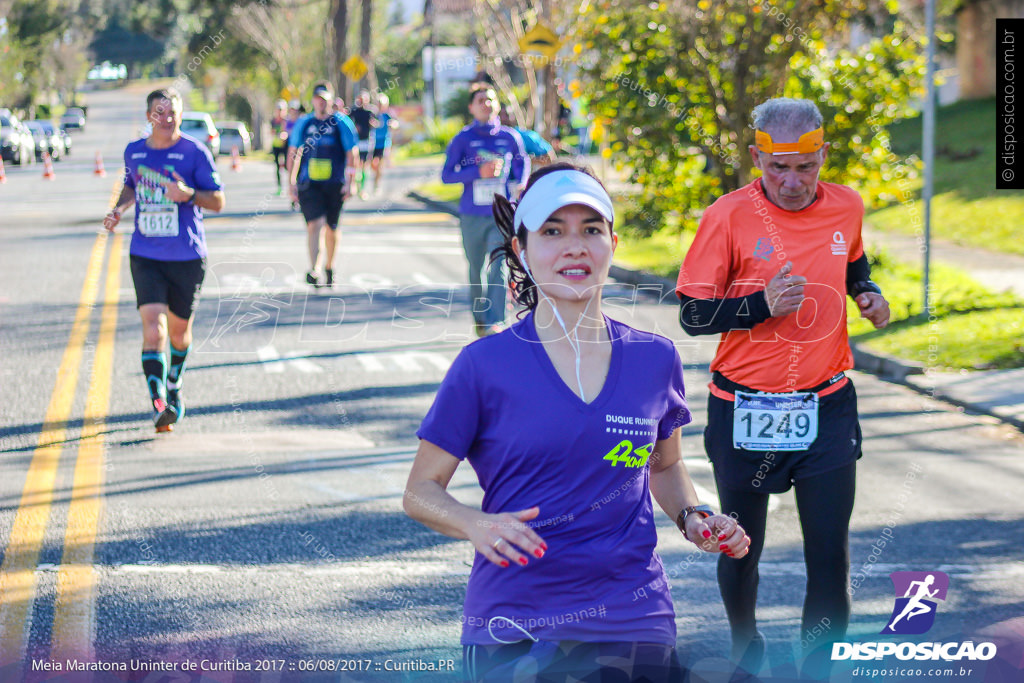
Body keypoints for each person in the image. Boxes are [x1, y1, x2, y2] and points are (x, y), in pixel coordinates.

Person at [405, 163, 751, 682]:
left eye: (590, 230)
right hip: (516, 622)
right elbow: (420, 491)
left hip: (634, 616)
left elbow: (664, 467)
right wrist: (474, 523)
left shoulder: (654, 359)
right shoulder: (484, 366)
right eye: (552, 231)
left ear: (612, 242)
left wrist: (694, 515)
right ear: (522, 249)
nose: (575, 246)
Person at [675, 97, 891, 679]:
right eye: (778, 168)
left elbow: (852, 257)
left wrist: (865, 291)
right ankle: (746, 644)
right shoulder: (727, 215)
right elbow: (692, 316)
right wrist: (758, 306)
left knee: (829, 555)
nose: (793, 182)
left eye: (806, 166)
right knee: (741, 548)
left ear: (824, 154)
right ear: (756, 157)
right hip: (744, 408)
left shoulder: (847, 204)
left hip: (826, 406)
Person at [102, 88, 225, 432]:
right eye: (160, 113)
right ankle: (158, 405)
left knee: (178, 334)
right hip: (146, 254)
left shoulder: (194, 152)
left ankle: (174, 383)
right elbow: (131, 185)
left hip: (187, 255)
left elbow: (218, 201)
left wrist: (188, 195)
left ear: (181, 116)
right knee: (152, 329)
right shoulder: (135, 151)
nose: (168, 119)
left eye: (174, 113)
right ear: (149, 117)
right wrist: (118, 209)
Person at [441, 85, 529, 337]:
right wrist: (477, 173)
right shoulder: (463, 139)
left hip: (500, 214)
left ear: (497, 105)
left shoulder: (510, 137)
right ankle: (480, 318)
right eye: (480, 100)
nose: (486, 104)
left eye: (490, 100)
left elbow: (522, 163)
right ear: (471, 107)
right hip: (471, 214)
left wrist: (521, 183)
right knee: (476, 268)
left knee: (499, 264)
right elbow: (447, 176)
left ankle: (497, 321)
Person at [287, 81, 358, 289]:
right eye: (317, 100)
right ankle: (314, 268)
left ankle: (329, 266)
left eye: (324, 100)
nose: (321, 104)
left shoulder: (341, 123)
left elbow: (351, 152)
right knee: (314, 224)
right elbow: (294, 152)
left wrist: (351, 182)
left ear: (331, 101)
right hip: (310, 184)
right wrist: (291, 182)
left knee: (331, 227)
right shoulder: (304, 123)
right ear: (313, 101)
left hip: (335, 183)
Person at [348, 91, 377, 199]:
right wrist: (354, 127)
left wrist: (373, 124)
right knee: (357, 164)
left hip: (367, 141)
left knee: (365, 165)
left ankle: (362, 189)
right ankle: (356, 185)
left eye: (363, 99)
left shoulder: (371, 111)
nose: (361, 101)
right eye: (359, 99)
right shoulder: (353, 111)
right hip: (356, 141)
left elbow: (377, 123)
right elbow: (348, 122)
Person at [370, 93, 398, 195]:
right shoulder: (373, 114)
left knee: (379, 165)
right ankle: (376, 179)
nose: (380, 105)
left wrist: (392, 125)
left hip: (384, 143)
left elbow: (395, 123)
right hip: (373, 144)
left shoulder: (388, 115)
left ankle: (377, 185)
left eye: (381, 103)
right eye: (378, 103)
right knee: (373, 165)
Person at [270, 99, 289, 195]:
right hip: (276, 146)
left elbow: (287, 131)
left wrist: (284, 134)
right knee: (277, 167)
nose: (279, 111)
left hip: (285, 145)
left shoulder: (286, 120)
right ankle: (279, 187)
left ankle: (291, 185)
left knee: (287, 165)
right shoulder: (273, 121)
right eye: (278, 109)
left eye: (281, 109)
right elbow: (272, 132)